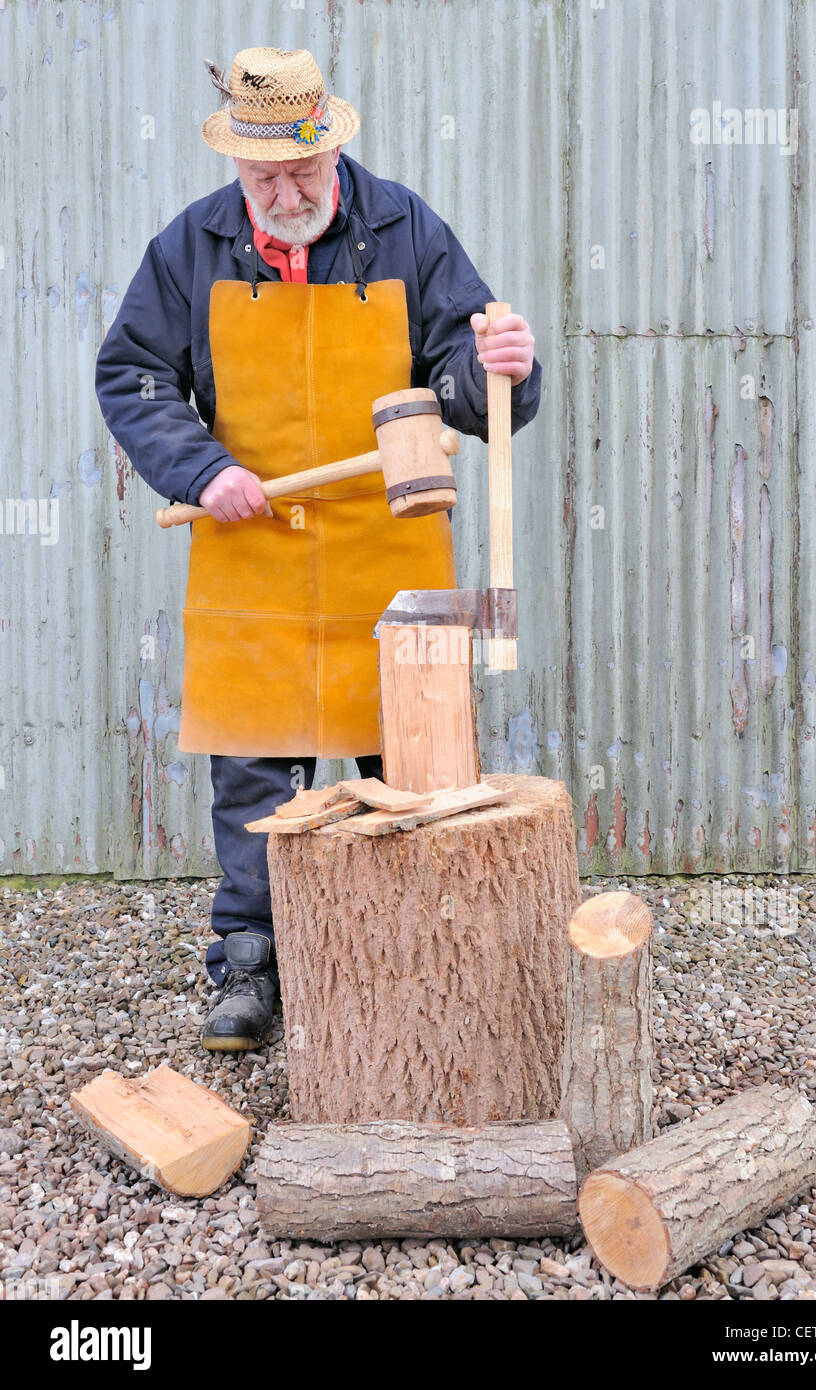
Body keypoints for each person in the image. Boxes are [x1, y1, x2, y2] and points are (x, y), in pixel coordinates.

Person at [95, 47, 542, 1053]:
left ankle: (436, 961)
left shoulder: (404, 228)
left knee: (418, 767)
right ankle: (251, 966)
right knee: (256, 776)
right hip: (251, 544)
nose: (288, 194)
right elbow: (134, 374)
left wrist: (500, 363)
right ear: (237, 167)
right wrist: (201, 469)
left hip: (393, 548)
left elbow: (468, 374)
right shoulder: (189, 250)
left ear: (332, 148)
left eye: (304, 173)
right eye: (266, 179)